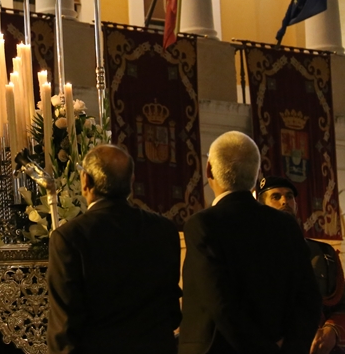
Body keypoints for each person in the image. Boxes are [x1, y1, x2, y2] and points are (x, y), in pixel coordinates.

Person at [179, 131, 321, 354]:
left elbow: (220, 304)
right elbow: (310, 299)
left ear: (208, 170)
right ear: (256, 174)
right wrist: (291, 348)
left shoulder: (203, 224)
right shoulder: (286, 225)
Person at [47, 144, 182, 354]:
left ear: (86, 181)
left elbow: (64, 328)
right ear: (131, 181)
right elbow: (172, 312)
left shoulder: (70, 238)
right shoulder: (163, 230)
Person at [257, 176, 345, 354]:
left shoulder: (323, 253)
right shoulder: (250, 251)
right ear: (261, 206)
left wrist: (331, 331)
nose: (284, 201)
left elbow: (341, 305)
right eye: (276, 196)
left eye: (289, 196)